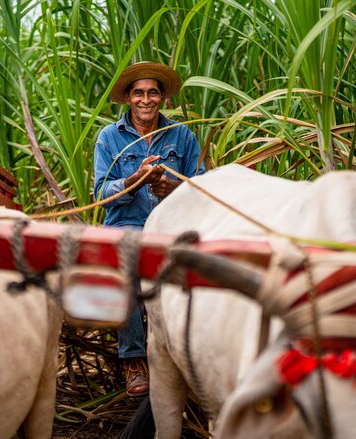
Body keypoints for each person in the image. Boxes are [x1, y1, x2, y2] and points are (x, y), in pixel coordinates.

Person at [93, 62, 205, 397]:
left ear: (162, 98)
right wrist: (132, 181)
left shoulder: (181, 137)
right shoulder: (110, 138)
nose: (146, 99)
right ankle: (134, 360)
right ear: (128, 98)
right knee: (126, 268)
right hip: (127, 225)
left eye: (153, 92)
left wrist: (172, 188)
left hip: (173, 226)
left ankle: (188, 356)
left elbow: (200, 186)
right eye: (138, 93)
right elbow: (99, 194)